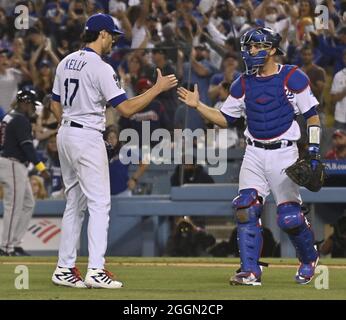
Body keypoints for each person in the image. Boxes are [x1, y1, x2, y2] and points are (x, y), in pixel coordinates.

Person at [178, 27, 320, 286]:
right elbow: (224, 118)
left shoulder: (292, 76)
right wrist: (198, 105)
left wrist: (313, 149)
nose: (251, 51)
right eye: (249, 47)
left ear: (273, 49)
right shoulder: (242, 82)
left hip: (284, 152)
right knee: (245, 208)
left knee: (289, 218)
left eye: (257, 46)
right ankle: (250, 270)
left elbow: (312, 115)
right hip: (253, 151)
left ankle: (309, 259)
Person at [50, 13, 177, 289]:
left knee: (75, 204)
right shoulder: (100, 67)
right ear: (103, 34)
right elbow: (126, 109)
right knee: (99, 203)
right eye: (113, 36)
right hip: (85, 136)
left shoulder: (65, 62)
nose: (114, 42)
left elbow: (54, 105)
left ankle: (64, 267)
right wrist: (156, 88)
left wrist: (73, 122)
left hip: (66, 133)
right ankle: (95, 269)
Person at [0, 89, 49, 256]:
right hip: (12, 163)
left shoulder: (9, 115)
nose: (34, 109)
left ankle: (14, 242)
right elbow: (27, 146)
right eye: (32, 105)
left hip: (12, 162)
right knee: (13, 205)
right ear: (25, 103)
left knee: (28, 203)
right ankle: (6, 246)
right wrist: (41, 168)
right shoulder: (20, 120)